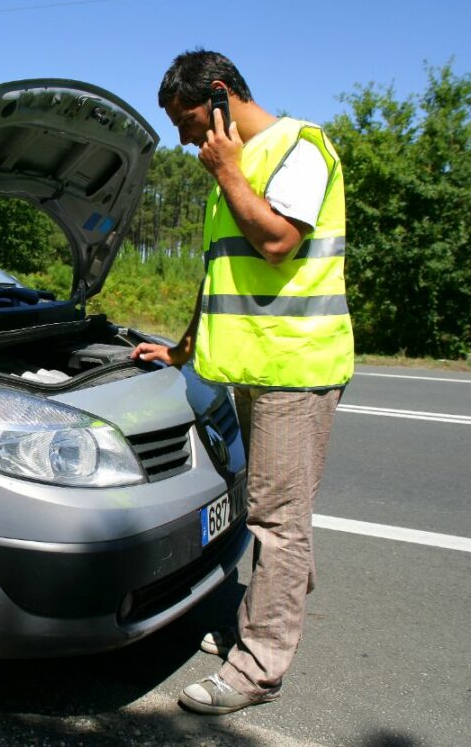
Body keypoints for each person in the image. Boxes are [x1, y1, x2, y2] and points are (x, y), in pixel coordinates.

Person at [131, 50, 353, 715]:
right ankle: (268, 613)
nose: (184, 137)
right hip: (253, 371)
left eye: (189, 118)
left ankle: (257, 668)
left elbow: (279, 241)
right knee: (272, 512)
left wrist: (226, 169)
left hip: (295, 368)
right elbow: (222, 273)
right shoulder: (234, 169)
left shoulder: (298, 148)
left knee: (279, 524)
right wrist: (183, 350)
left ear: (222, 94)